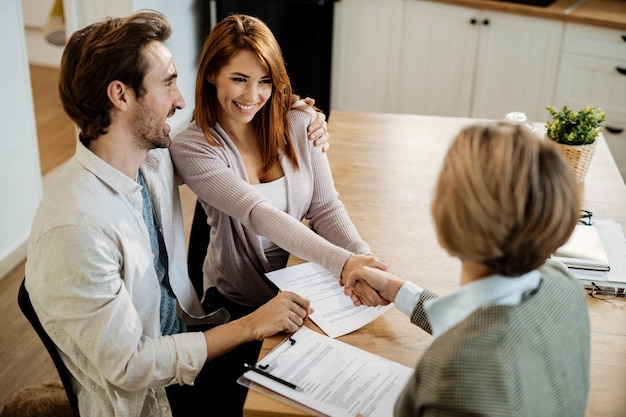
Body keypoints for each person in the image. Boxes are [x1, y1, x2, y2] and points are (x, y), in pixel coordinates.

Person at [24, 10, 332, 417]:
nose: (181, 100)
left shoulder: (151, 159)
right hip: (160, 396)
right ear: (120, 95)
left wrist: (291, 108)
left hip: (196, 335)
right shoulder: (76, 228)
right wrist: (251, 325)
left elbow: (223, 136)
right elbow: (133, 367)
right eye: (168, 82)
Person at [169, 14, 387, 415]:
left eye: (265, 81)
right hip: (240, 304)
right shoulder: (192, 147)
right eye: (239, 78)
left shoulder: (300, 119)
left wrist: (365, 262)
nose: (253, 94)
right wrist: (345, 264)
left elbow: (325, 207)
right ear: (212, 73)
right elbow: (257, 212)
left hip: (308, 284)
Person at [344, 121, 591, 416]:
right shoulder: (563, 285)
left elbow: (477, 343)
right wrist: (399, 291)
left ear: (451, 216)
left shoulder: (461, 377)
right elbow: (484, 320)